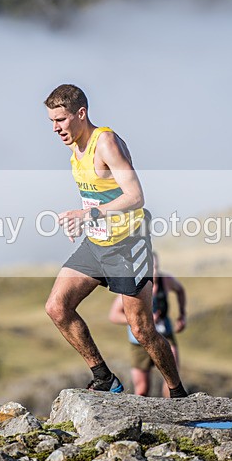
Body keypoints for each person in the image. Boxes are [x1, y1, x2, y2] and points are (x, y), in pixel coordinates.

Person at [43, 83, 187, 398]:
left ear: (81, 114)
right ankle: (104, 377)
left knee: (143, 331)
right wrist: (82, 219)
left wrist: (88, 217)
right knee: (57, 307)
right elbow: (98, 191)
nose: (55, 128)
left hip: (127, 247)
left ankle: (178, 393)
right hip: (96, 243)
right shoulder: (74, 144)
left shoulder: (105, 143)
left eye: (61, 120)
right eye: (52, 121)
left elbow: (135, 196)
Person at [109, 252, 186, 397]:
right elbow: (114, 315)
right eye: (150, 268)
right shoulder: (132, 287)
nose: (154, 272)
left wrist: (182, 315)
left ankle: (173, 410)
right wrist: (142, 319)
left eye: (156, 267)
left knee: (173, 379)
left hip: (165, 335)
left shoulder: (166, 281)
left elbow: (180, 290)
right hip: (139, 342)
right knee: (142, 389)